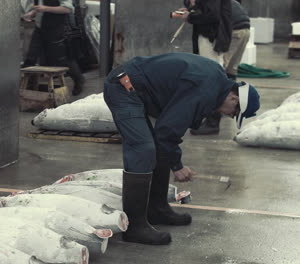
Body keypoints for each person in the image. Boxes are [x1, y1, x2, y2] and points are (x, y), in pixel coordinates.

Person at [103, 52, 260, 245]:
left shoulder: (215, 82)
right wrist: (177, 166)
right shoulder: (205, 89)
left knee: (158, 147)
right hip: (123, 87)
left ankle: (157, 210)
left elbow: (169, 129)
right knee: (143, 149)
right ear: (234, 99)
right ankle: (134, 227)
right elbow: (167, 131)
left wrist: (174, 160)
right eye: (233, 113)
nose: (228, 115)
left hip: (137, 88)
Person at [190, 0, 250, 134]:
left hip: (231, 31)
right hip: (243, 28)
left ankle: (213, 121)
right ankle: (234, 109)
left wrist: (190, 16)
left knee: (216, 76)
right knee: (229, 73)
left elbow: (212, 15)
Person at [22, 0, 85, 96]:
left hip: (55, 28)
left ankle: (79, 79)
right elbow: (41, 7)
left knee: (60, 59)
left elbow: (67, 9)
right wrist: (32, 13)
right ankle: (29, 88)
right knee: (31, 57)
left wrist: (45, 8)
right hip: (40, 28)